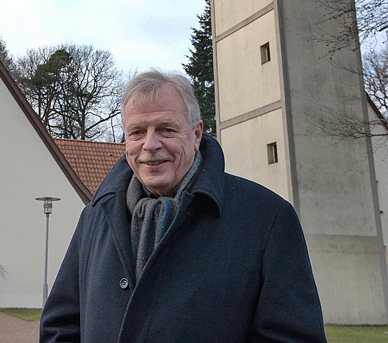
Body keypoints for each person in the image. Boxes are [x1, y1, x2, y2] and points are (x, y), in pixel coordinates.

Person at [40, 69, 326, 343]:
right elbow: (60, 326)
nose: (150, 145)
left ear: (196, 134)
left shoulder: (267, 218)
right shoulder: (96, 215)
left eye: (166, 129)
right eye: (137, 132)